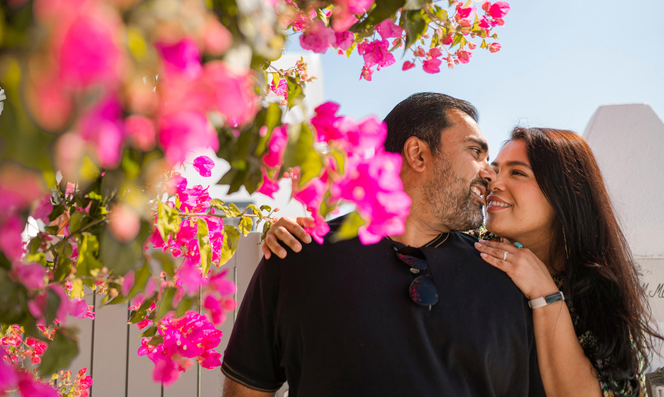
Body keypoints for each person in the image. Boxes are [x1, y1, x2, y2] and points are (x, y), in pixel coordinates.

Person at [265, 127, 664, 397]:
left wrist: (545, 294)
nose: (493, 180)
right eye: (494, 168)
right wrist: (294, 228)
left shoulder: (601, 293)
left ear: (565, 194)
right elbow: (402, 229)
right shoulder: (473, 254)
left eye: (517, 172)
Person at [222, 93, 546, 396]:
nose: (490, 174)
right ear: (418, 154)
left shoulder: (505, 278)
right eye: (476, 152)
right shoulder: (298, 254)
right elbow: (248, 387)